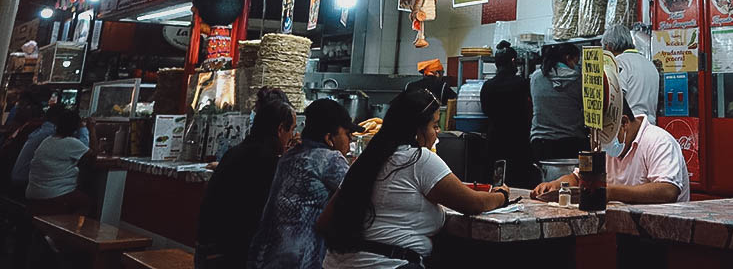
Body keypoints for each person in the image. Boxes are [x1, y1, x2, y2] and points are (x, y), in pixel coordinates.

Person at [319, 89, 510, 268]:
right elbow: (473, 203)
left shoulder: (366, 161)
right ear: (416, 129)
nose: (438, 132)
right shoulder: (419, 159)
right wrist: (501, 195)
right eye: (434, 125)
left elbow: (324, 221)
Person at [248, 99, 361, 269]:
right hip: (299, 260)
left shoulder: (289, 156)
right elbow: (359, 196)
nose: (351, 140)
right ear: (329, 138)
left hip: (263, 256)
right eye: (347, 133)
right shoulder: (330, 159)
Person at [196, 88, 296, 269]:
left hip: (208, 246)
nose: (292, 137)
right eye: (292, 130)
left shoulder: (237, 151)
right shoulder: (267, 161)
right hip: (230, 253)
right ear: (281, 129)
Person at [533, 98, 689, 204]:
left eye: (605, 134)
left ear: (624, 122)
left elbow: (668, 190)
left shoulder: (659, 141)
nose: (600, 141)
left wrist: (611, 193)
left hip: (663, 237)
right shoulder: (603, 145)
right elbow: (579, 177)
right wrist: (557, 185)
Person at [479, 41, 535, 187]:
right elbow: (531, 109)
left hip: (494, 140)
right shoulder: (522, 84)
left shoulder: (488, 85)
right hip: (518, 140)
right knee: (518, 184)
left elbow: (485, 110)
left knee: (496, 183)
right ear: (513, 61)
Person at [24, 107, 96, 215]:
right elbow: (94, 153)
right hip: (54, 195)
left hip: (33, 193)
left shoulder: (47, 140)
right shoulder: (70, 143)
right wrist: (92, 129)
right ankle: (69, 229)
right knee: (87, 203)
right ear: (75, 127)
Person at [9, 103, 90, 191]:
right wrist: (83, 128)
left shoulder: (44, 130)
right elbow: (85, 152)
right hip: (26, 181)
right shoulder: (51, 134)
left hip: (21, 177)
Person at [529, 43, 587, 161]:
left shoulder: (536, 77)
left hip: (541, 142)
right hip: (571, 141)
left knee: (545, 178)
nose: (577, 66)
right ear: (568, 58)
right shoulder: (579, 80)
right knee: (571, 179)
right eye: (576, 62)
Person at [602, 25, 659, 124]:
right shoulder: (649, 63)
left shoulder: (619, 62)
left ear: (609, 46)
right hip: (649, 125)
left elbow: (617, 97)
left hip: (630, 127)